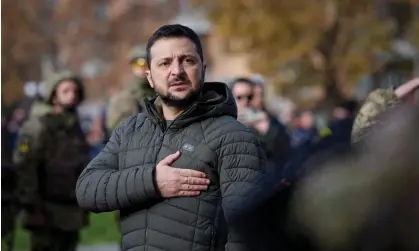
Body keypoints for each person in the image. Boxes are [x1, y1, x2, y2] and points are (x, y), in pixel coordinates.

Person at [76, 24, 271, 251]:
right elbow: (87, 190)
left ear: (203, 68)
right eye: (165, 63)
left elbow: (246, 237)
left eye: (187, 60)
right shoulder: (130, 129)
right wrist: (153, 182)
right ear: (149, 77)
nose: (176, 71)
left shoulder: (234, 136)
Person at [15, 71, 90, 251]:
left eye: (75, 91)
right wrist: (31, 206)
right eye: (65, 91)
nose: (72, 95)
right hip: (45, 210)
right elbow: (26, 167)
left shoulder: (74, 125)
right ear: (53, 96)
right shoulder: (38, 126)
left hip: (71, 209)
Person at [106, 45, 155, 134]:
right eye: (137, 63)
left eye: (146, 62)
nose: (142, 67)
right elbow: (116, 132)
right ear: (132, 66)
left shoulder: (164, 93)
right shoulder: (122, 98)